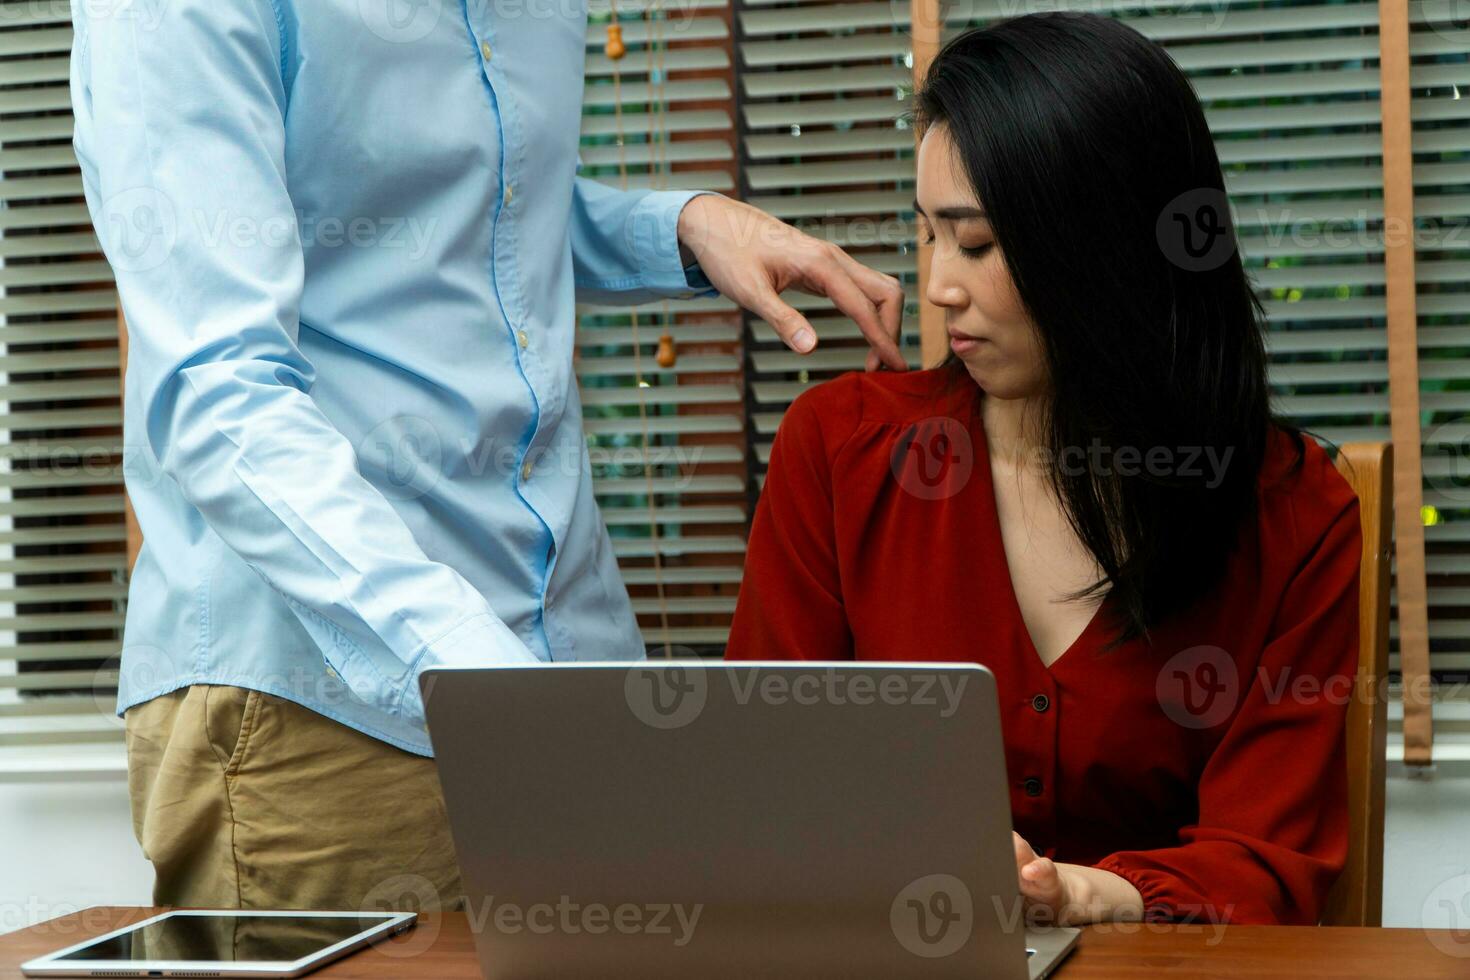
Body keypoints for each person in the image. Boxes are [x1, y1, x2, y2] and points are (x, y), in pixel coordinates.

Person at [70, 2, 904, 912]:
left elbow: (437, 200)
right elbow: (218, 389)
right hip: (327, 704)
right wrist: (477, 676)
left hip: (571, 667)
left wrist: (678, 225)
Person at [726, 13, 1359, 928]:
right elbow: (764, 782)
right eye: (931, 237)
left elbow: (1266, 861)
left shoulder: (1294, 513)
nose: (940, 287)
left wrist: (1087, 896)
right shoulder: (836, 450)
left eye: (976, 244)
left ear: (1109, 249)